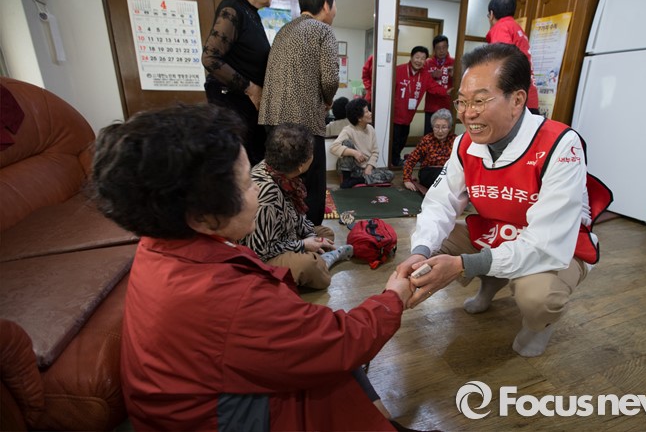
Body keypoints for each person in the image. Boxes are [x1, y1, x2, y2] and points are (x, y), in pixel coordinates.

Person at [91, 103, 414, 431]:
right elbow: (339, 341)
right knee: (333, 370)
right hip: (217, 419)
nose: (256, 189)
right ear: (201, 213)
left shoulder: (157, 245)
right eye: (246, 184)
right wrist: (394, 298)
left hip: (189, 402)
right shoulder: (226, 295)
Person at [395, 44, 612, 358]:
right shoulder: (464, 144)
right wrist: (420, 251)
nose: (468, 113)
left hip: (556, 244)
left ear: (517, 100)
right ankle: (491, 282)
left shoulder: (561, 145)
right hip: (496, 230)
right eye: (462, 101)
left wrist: (464, 265)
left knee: (538, 296)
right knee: (432, 248)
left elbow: (546, 242)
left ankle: (539, 324)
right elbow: (440, 203)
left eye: (480, 100)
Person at [259, 0, 338, 226]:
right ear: (325, 4)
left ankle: (284, 230)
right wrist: (327, 101)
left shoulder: (283, 31)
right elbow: (330, 79)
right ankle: (310, 234)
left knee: (282, 179)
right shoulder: (323, 31)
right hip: (304, 120)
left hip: (272, 119)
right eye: (334, 3)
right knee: (311, 183)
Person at [242, 123, 353, 289]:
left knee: (325, 234)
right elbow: (259, 250)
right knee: (310, 267)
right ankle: (320, 262)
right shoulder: (268, 193)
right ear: (301, 165)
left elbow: (295, 216)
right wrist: (303, 245)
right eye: (310, 152)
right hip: (262, 258)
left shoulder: (278, 172)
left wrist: (310, 237)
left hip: (284, 237)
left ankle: (317, 258)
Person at [202, 0, 275, 165]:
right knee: (238, 167)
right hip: (233, 107)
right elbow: (210, 58)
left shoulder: (252, 13)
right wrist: (251, 89)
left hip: (248, 109)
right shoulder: (232, 9)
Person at [392, 45, 448, 167]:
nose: (419, 61)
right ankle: (394, 161)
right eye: (417, 57)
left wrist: (447, 92)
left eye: (423, 58)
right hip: (394, 115)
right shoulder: (398, 70)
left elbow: (434, 87)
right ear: (411, 57)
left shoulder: (425, 75)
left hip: (408, 116)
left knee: (402, 139)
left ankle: (395, 159)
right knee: (394, 140)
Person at [486, 0, 540, 115]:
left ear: (492, 14)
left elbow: (502, 61)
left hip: (515, 99)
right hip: (528, 95)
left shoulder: (501, 27)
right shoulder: (517, 28)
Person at [330, 98, 394, 189]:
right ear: (359, 118)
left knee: (390, 174)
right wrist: (355, 153)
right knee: (347, 143)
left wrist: (369, 167)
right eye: (367, 112)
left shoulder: (371, 129)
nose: (370, 113)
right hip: (351, 168)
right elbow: (333, 147)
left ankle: (359, 180)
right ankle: (346, 179)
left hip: (363, 170)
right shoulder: (348, 130)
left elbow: (375, 152)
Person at [403, 108, 456, 192]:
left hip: (448, 172)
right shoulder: (427, 140)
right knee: (441, 176)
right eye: (437, 127)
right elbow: (411, 159)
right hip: (429, 172)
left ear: (449, 128)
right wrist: (407, 179)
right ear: (432, 127)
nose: (440, 131)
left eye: (444, 127)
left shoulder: (455, 140)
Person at [423, 35, 454, 135]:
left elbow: (461, 83)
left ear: (448, 47)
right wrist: (431, 75)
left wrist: (454, 76)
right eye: (438, 48)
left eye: (444, 47)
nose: (441, 51)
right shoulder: (428, 63)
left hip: (447, 105)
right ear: (434, 49)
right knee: (429, 134)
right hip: (431, 105)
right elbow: (424, 82)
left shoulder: (454, 62)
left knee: (445, 135)